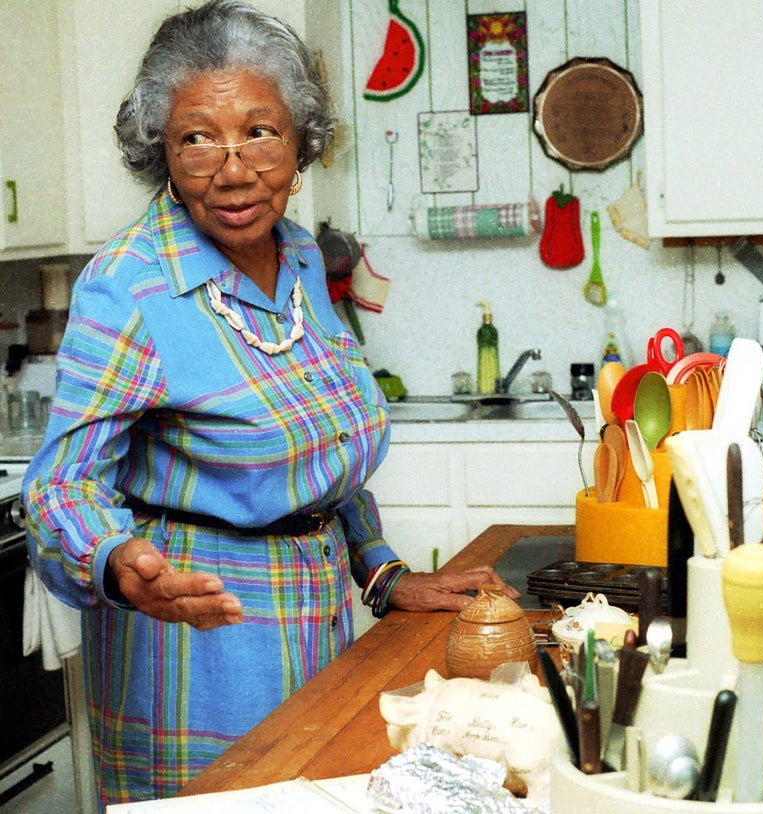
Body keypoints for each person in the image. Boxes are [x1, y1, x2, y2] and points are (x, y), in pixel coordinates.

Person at [23, 0, 517, 805]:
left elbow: (324, 450)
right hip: (197, 646)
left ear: (299, 142)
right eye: (195, 136)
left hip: (320, 627)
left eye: (259, 130)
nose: (232, 166)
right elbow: (57, 487)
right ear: (161, 148)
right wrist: (117, 562)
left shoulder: (297, 255)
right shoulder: (131, 286)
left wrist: (383, 573)